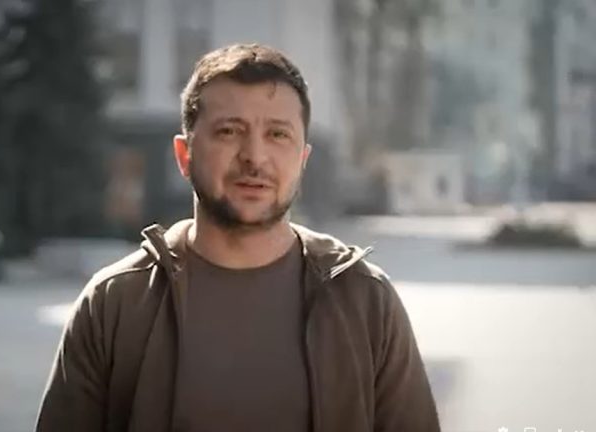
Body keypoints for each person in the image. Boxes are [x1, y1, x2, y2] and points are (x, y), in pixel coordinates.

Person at [36, 43, 440, 432]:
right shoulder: (114, 304)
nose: (254, 157)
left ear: (302, 159)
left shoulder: (365, 300)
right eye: (229, 131)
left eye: (277, 135)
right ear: (184, 155)